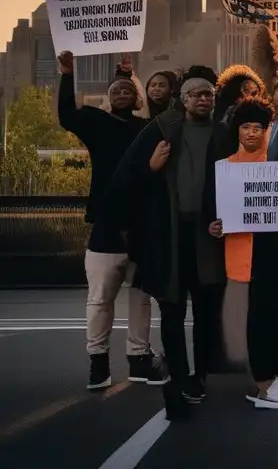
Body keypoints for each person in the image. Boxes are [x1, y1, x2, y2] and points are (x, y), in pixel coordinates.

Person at [108, 67, 227, 419]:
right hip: (169, 237)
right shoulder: (161, 130)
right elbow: (124, 178)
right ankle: (177, 377)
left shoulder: (224, 135)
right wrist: (150, 166)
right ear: (183, 99)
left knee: (207, 312)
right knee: (172, 311)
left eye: (209, 94)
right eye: (196, 94)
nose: (203, 98)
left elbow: (241, 183)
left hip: (208, 238)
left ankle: (199, 377)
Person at [56, 51, 162, 390]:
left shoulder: (146, 129)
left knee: (141, 297)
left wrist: (127, 73)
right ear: (107, 96)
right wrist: (67, 73)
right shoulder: (97, 123)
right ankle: (98, 364)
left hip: (142, 224)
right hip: (105, 223)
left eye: (127, 90)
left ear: (136, 98)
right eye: (115, 89)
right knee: (100, 298)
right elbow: (66, 115)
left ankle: (138, 359)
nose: (121, 94)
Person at [208, 97, 278, 409]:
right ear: (237, 130)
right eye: (246, 127)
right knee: (259, 319)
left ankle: (275, 373)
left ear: (268, 129)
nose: (252, 133)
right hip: (247, 253)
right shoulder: (225, 167)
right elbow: (212, 211)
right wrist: (213, 226)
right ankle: (263, 384)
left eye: (259, 127)